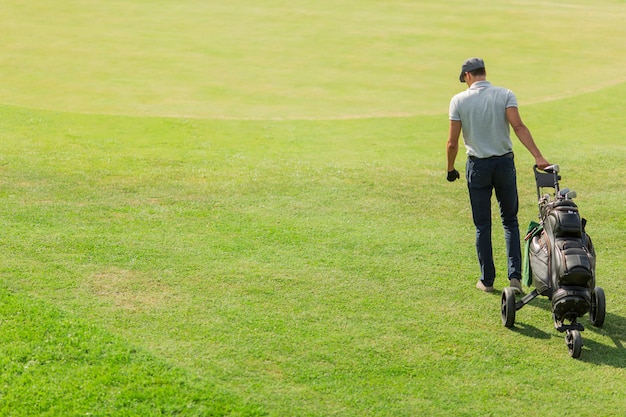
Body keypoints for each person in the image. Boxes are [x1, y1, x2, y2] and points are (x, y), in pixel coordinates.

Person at [446, 57, 550, 293]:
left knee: (482, 225)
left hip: (478, 167)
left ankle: (487, 280)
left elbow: (452, 142)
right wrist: (538, 156)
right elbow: (519, 127)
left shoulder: (458, 100)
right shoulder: (505, 94)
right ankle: (514, 278)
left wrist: (450, 169)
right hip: (504, 164)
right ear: (483, 72)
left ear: (468, 76)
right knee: (510, 221)